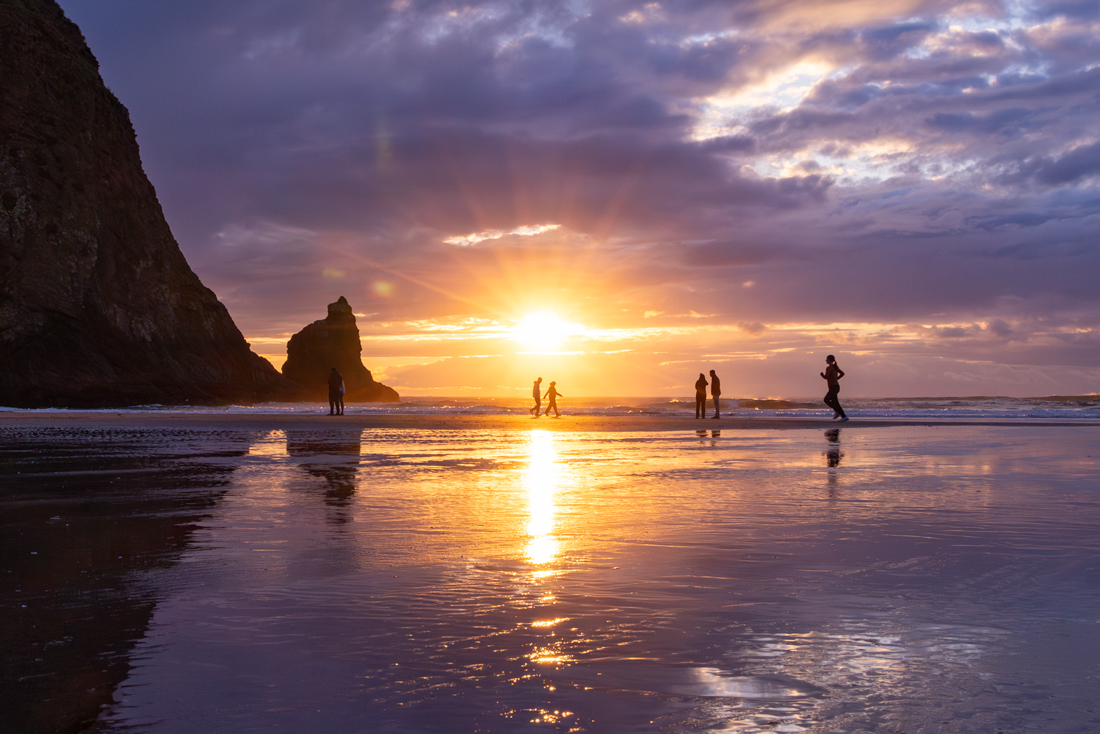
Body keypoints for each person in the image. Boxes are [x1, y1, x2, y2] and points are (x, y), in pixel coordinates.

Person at [821, 354, 847, 422]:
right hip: (836, 387)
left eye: (827, 359)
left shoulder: (829, 368)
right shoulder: (835, 368)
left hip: (833, 387)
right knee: (835, 402)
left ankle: (840, 413)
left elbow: (826, 377)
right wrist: (836, 378)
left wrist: (822, 375)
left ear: (829, 360)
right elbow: (842, 373)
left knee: (826, 400)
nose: (826, 360)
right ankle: (842, 415)